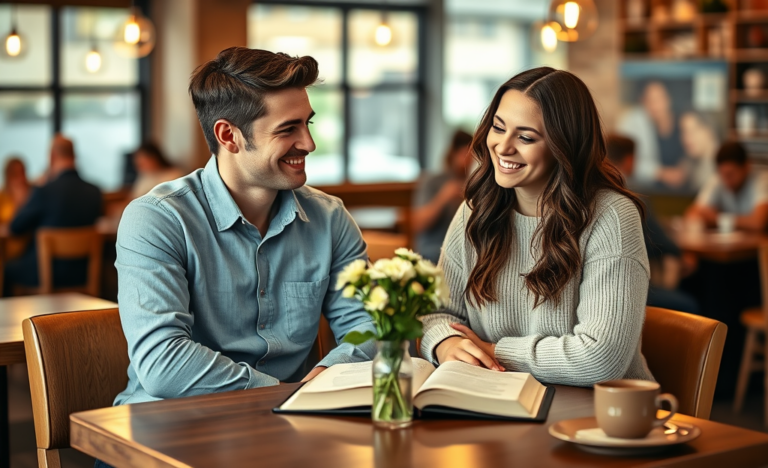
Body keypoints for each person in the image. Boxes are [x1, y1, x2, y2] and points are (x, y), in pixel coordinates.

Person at [113, 48, 377, 407]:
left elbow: (372, 329)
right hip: (163, 430)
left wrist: (330, 374)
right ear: (228, 135)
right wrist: (285, 394)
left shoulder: (330, 218)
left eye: (307, 123)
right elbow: (163, 363)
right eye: (288, 129)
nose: (309, 143)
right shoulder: (158, 219)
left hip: (285, 425)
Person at [419, 67, 654, 387]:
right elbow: (436, 313)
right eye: (498, 128)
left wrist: (493, 351)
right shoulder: (475, 211)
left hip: (599, 416)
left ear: (564, 146)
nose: (503, 147)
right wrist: (446, 344)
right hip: (498, 401)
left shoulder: (611, 217)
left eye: (526, 137)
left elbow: (601, 357)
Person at [606, 134, 699, 314]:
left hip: (599, 291)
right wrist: (682, 254)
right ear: (630, 160)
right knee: (690, 305)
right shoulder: (635, 197)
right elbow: (659, 240)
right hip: (629, 291)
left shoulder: (592, 191)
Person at [3, 135, 102, 294]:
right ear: (74, 156)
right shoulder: (94, 192)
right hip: (84, 272)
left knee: (8, 269)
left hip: (45, 272)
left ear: (52, 157)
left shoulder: (44, 191)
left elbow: (15, 228)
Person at [412, 129, 473, 263]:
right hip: (432, 252)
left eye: (472, 154)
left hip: (465, 254)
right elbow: (418, 224)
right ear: (453, 154)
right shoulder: (432, 181)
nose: (469, 159)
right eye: (465, 154)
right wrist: (443, 197)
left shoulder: (474, 185)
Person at [617, 81, 687, 189]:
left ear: (668, 99)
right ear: (643, 101)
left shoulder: (681, 122)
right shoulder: (634, 121)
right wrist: (662, 173)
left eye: (659, 99)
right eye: (650, 100)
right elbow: (622, 161)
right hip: (640, 190)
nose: (655, 105)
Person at [687, 141, 768, 231]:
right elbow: (692, 214)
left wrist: (717, 219)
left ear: (746, 167)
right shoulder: (719, 180)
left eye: (731, 174)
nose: (727, 180)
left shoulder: (762, 181)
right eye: (722, 174)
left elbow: (759, 222)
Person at [0, 157, 30, 224]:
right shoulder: (2, 197)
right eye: (15, 174)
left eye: (22, 173)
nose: (20, 178)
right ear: (7, 176)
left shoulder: (33, 193)